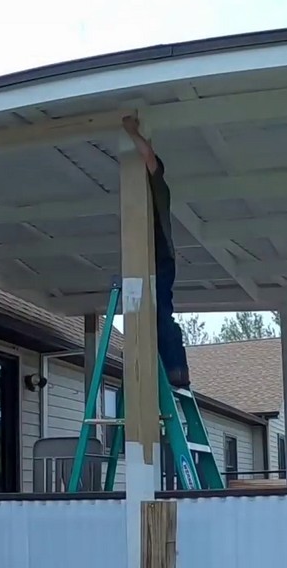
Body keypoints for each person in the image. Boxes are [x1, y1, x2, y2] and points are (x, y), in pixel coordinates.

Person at [122, 116, 191, 388]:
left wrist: (131, 131)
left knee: (161, 313)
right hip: (152, 259)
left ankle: (176, 368)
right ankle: (165, 365)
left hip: (160, 258)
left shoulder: (158, 186)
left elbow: (149, 156)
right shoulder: (142, 198)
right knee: (151, 314)